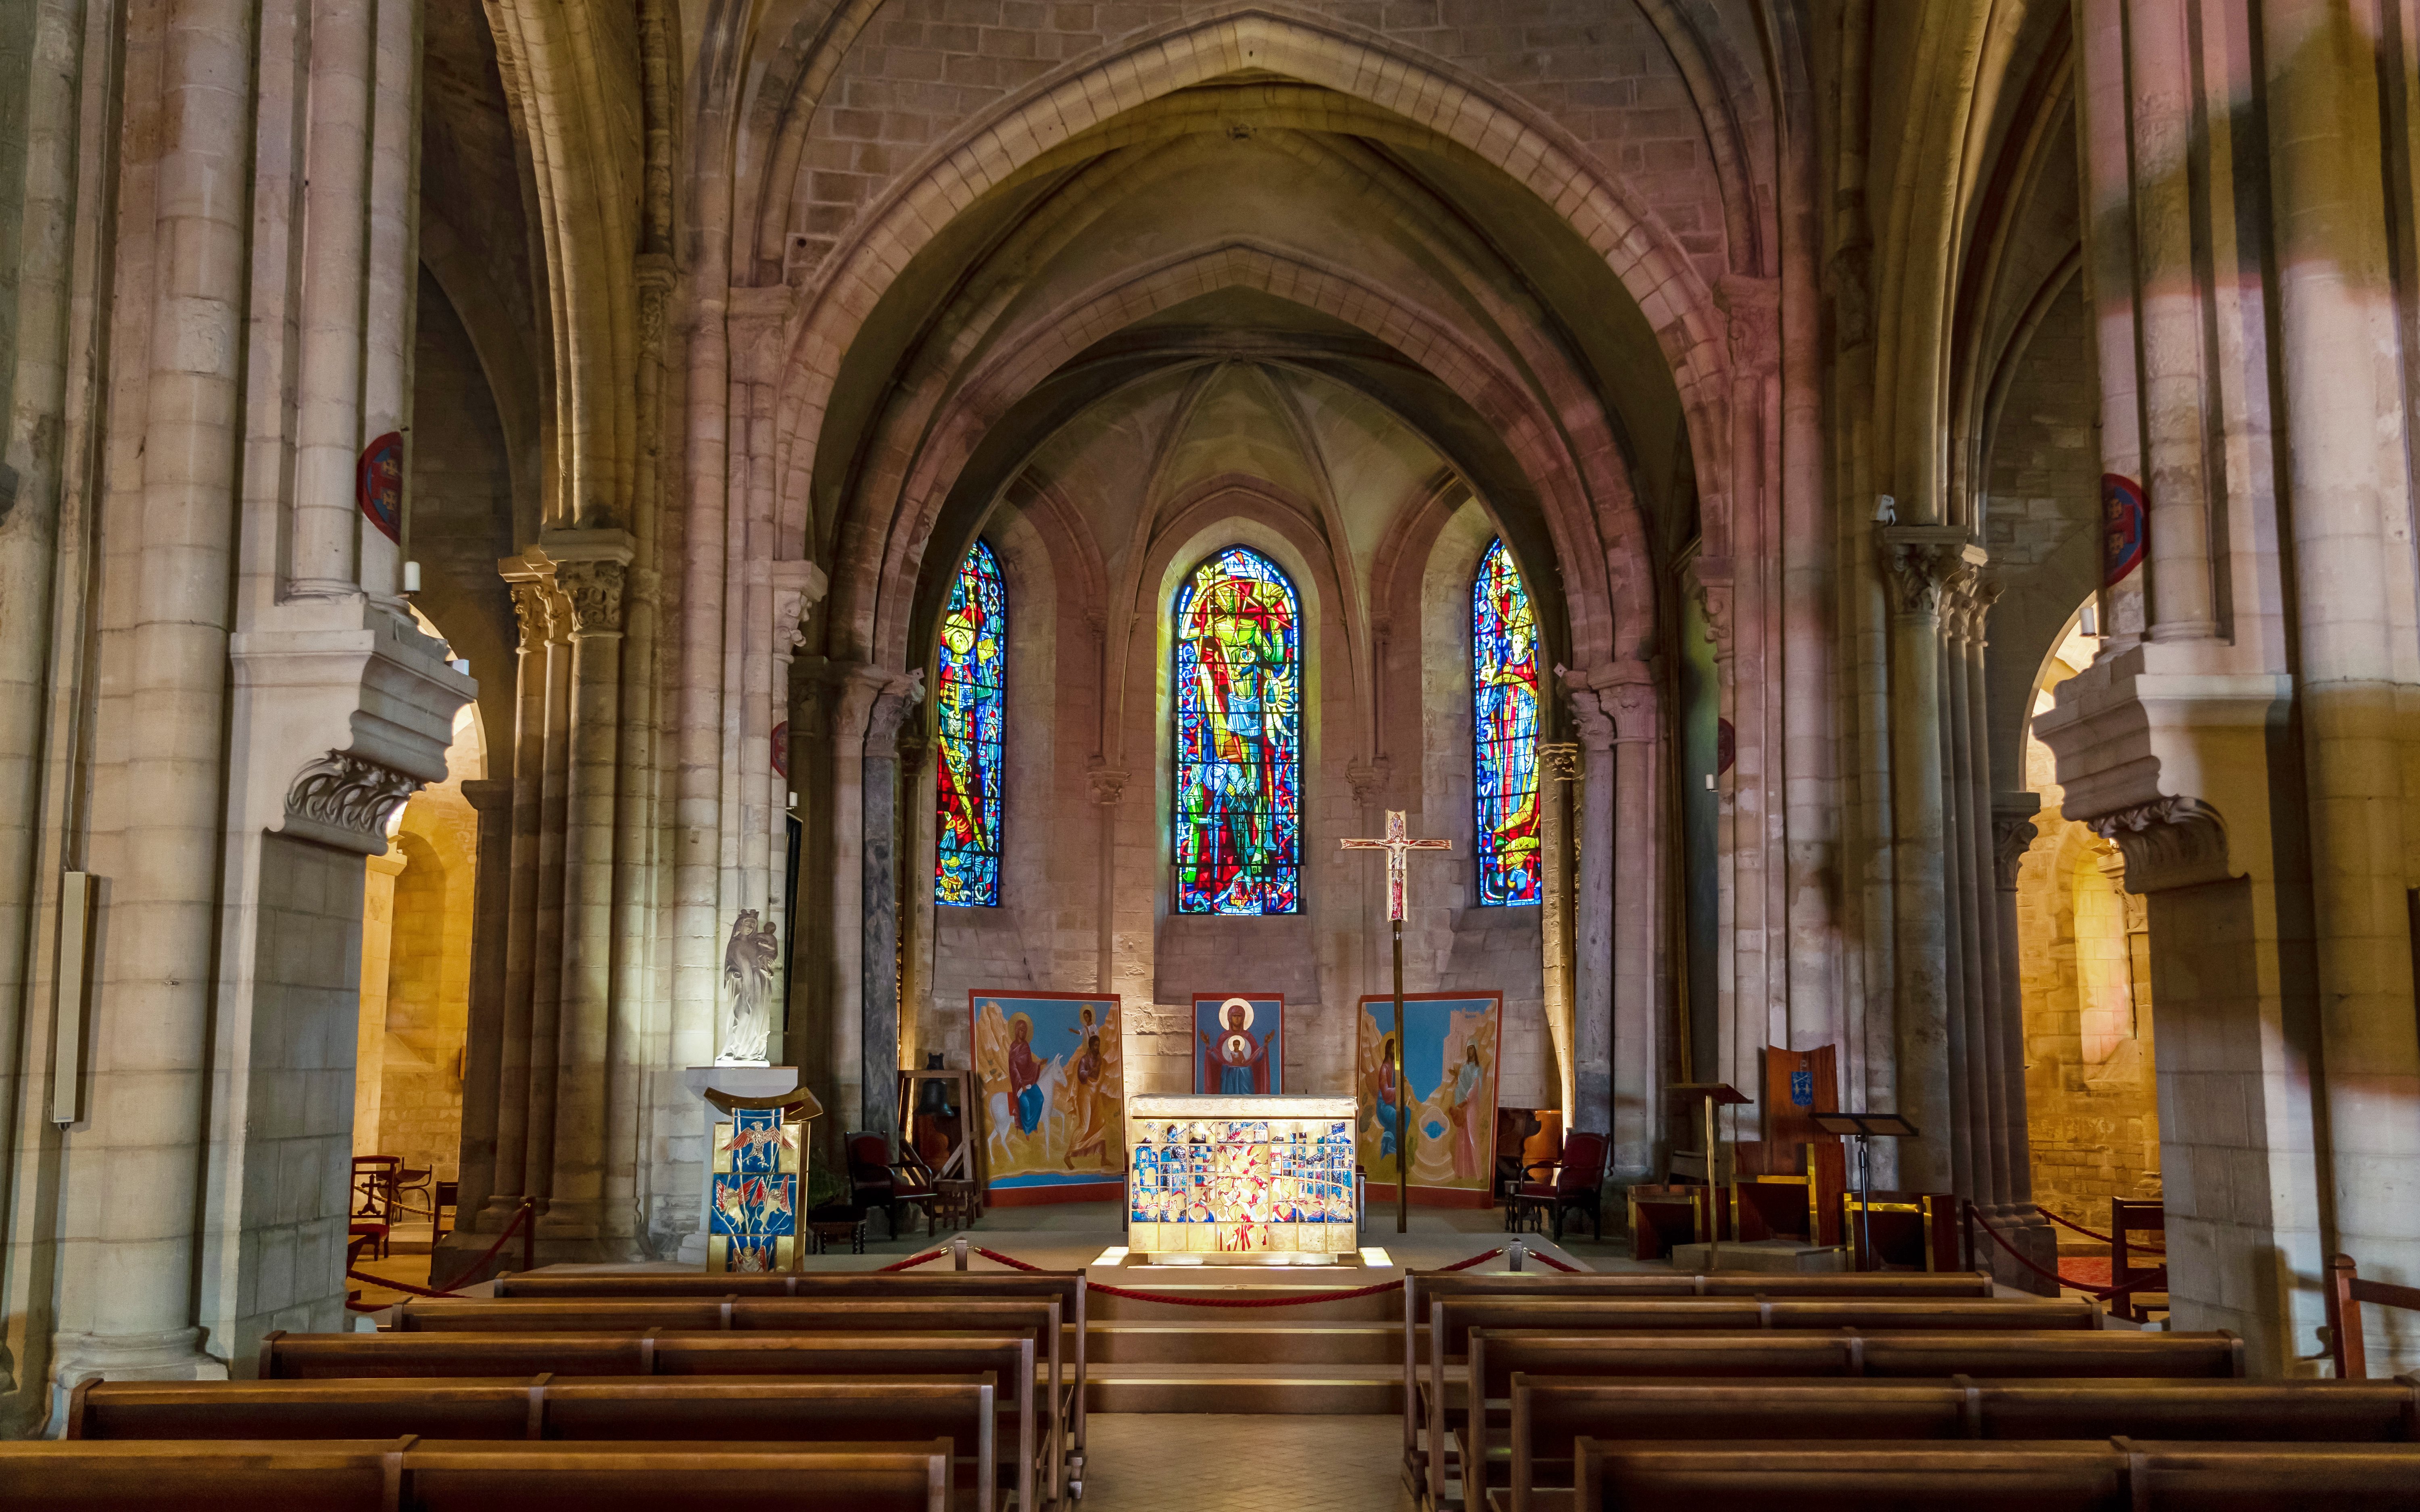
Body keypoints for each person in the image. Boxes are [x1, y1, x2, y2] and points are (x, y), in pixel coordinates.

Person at [1197, 998, 1272, 1093]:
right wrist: (1208, 1045)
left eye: (1240, 1016)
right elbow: (1219, 1058)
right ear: (1229, 1018)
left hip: (1245, 1076)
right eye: (1235, 1016)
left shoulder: (1248, 1037)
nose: (1237, 1019)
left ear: (1244, 1018)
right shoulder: (1224, 1037)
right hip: (1228, 1075)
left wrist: (1265, 1045)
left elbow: (1256, 1059)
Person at [1066, 1030, 1110, 1168]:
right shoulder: (1085, 1059)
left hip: (1096, 1092)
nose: (1097, 1048)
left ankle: (1104, 1158)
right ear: (1091, 1046)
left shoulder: (1100, 1060)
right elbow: (1081, 1075)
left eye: (1099, 1045)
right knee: (1084, 1127)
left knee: (1101, 1122)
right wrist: (1090, 1072)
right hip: (1085, 1093)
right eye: (1095, 1046)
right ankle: (1068, 1155)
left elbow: (1102, 1075)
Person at [1447, 1041, 1486, 1181]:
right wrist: (1457, 1078)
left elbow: (1475, 1086)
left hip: (1472, 1106)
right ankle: (1461, 1172)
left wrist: (1466, 1100)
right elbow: (1461, 1085)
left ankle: (1479, 1175)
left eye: (1472, 1049)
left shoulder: (1478, 1069)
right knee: (1462, 1139)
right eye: (1468, 1049)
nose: (1470, 1052)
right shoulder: (1464, 1069)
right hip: (1463, 1106)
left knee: (1472, 1137)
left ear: (1475, 1051)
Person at [1007, 1014, 1046, 1134]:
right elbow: (1013, 1069)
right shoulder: (1013, 1048)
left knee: (1040, 1098)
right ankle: (1026, 1127)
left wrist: (1038, 1065)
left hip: (1029, 1081)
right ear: (1017, 1030)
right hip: (1019, 1084)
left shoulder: (1026, 1046)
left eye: (1025, 1031)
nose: (1023, 1033)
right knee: (1025, 1102)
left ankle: (1033, 1125)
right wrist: (1021, 1083)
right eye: (1022, 1030)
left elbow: (1030, 1065)